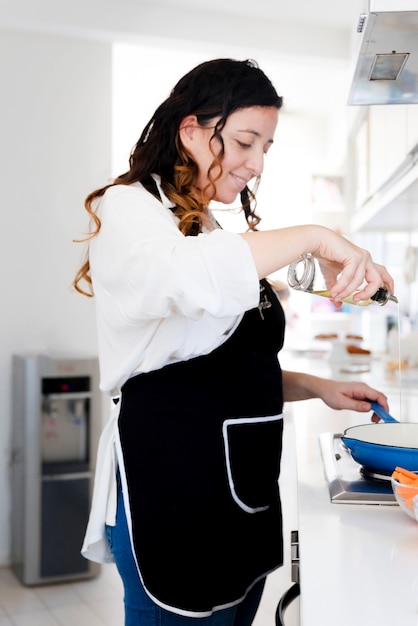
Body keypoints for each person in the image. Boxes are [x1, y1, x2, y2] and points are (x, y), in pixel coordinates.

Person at [74, 58, 394, 626]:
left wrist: (320, 387)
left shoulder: (209, 228)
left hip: (239, 499)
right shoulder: (130, 210)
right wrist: (315, 237)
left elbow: (228, 371)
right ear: (191, 130)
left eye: (267, 146)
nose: (256, 163)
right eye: (245, 141)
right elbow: (183, 276)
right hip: (171, 496)